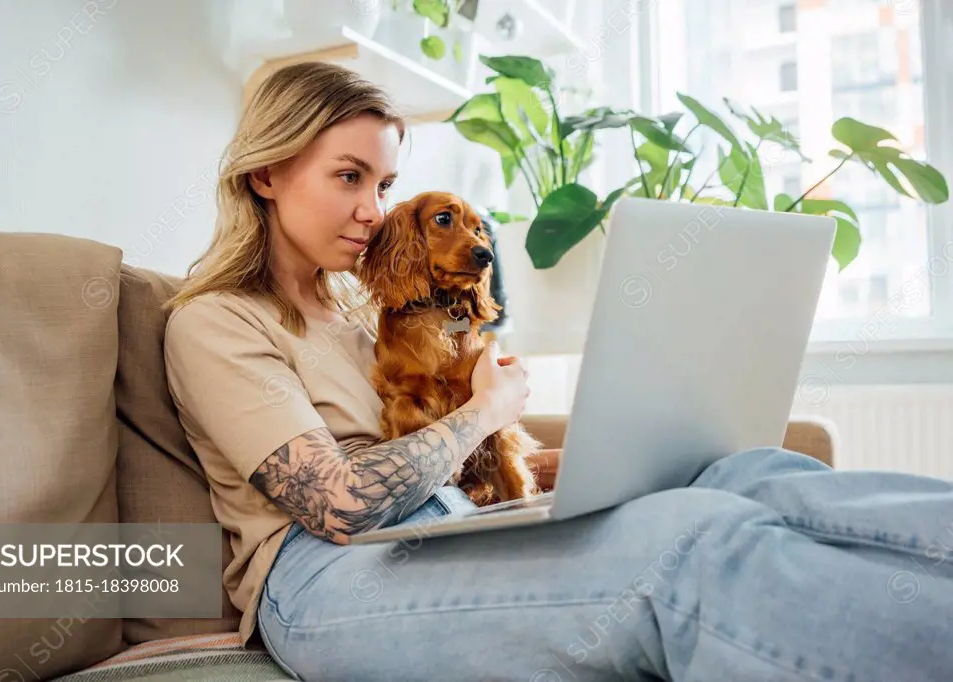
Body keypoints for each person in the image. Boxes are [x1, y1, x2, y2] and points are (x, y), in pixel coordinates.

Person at [162, 61, 953, 682]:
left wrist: (606, 465)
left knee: (745, 476)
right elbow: (338, 504)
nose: (374, 209)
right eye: (349, 177)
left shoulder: (375, 318)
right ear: (266, 173)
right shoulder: (217, 322)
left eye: (385, 184)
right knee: (692, 545)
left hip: (440, 528)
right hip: (326, 586)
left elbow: (431, 473)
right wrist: (483, 411)